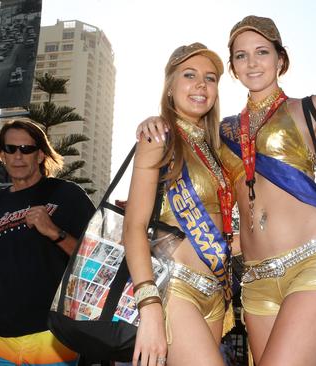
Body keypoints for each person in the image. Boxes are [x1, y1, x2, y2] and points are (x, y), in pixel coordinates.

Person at [136, 15, 316, 366]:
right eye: (241, 55)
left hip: (315, 262)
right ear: (232, 67)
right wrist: (156, 120)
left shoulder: (311, 109)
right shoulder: (223, 134)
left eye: (262, 51)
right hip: (256, 280)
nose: (252, 62)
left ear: (281, 59)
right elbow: (188, 164)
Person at [122, 43, 233, 366]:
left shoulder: (216, 150)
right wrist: (149, 303)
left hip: (215, 294)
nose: (201, 84)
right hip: (174, 287)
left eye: (210, 78)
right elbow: (134, 227)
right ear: (170, 86)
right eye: (189, 75)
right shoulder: (158, 137)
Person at [0, 120, 95, 366]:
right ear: (1, 155)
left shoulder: (68, 194)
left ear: (40, 154)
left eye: (26, 149)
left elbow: (96, 261)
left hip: (52, 336)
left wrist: (55, 232)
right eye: (10, 149)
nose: (18, 156)